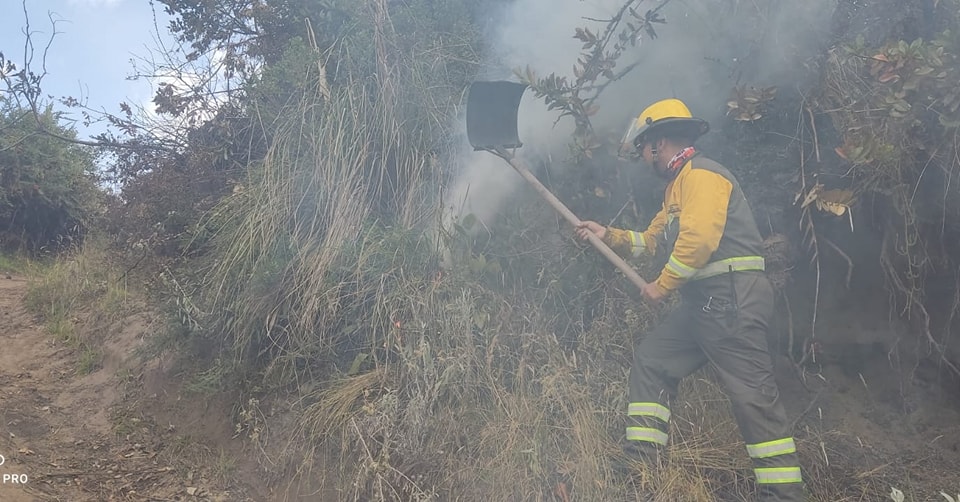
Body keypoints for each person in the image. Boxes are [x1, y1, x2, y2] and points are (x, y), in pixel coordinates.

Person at [575, 98, 805, 501]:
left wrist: (661, 286)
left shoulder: (703, 177)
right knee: (653, 358)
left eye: (645, 148)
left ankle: (784, 495)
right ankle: (641, 468)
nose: (644, 157)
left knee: (753, 400)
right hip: (705, 307)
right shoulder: (678, 189)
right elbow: (650, 240)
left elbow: (698, 242)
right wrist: (606, 234)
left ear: (658, 143)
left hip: (733, 302)